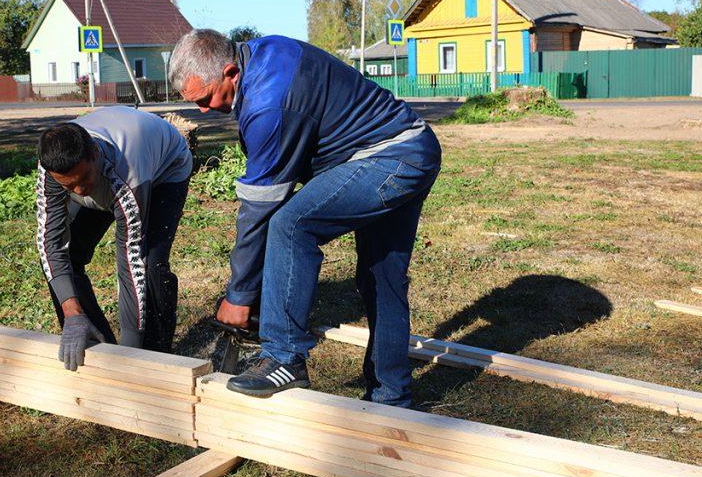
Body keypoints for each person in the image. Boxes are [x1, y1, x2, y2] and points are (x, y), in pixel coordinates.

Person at [168, 30, 441, 407]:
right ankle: (391, 397)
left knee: (291, 224)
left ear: (231, 71)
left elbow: (261, 210)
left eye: (204, 98)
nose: (202, 111)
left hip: (390, 159)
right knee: (383, 278)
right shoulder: (266, 51)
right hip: (412, 146)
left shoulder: (267, 104)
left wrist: (240, 295)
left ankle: (284, 358)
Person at [36, 106, 192, 370]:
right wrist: (71, 313)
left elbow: (131, 265)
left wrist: (130, 356)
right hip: (108, 172)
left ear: (95, 153)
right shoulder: (52, 168)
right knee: (65, 257)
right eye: (68, 186)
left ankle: (155, 358)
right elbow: (50, 244)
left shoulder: (127, 177)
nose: (80, 191)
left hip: (165, 169)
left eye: (83, 179)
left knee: (150, 266)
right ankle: (94, 342)